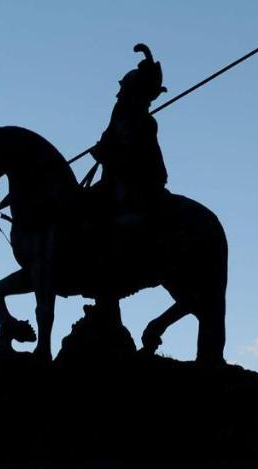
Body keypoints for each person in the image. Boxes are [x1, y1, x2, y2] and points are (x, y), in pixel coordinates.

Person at [86, 43, 169, 295]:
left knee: (115, 221)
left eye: (122, 90)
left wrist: (109, 155)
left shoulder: (145, 123)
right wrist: (103, 149)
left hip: (136, 185)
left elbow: (137, 161)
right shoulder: (119, 116)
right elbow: (109, 141)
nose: (118, 95)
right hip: (112, 182)